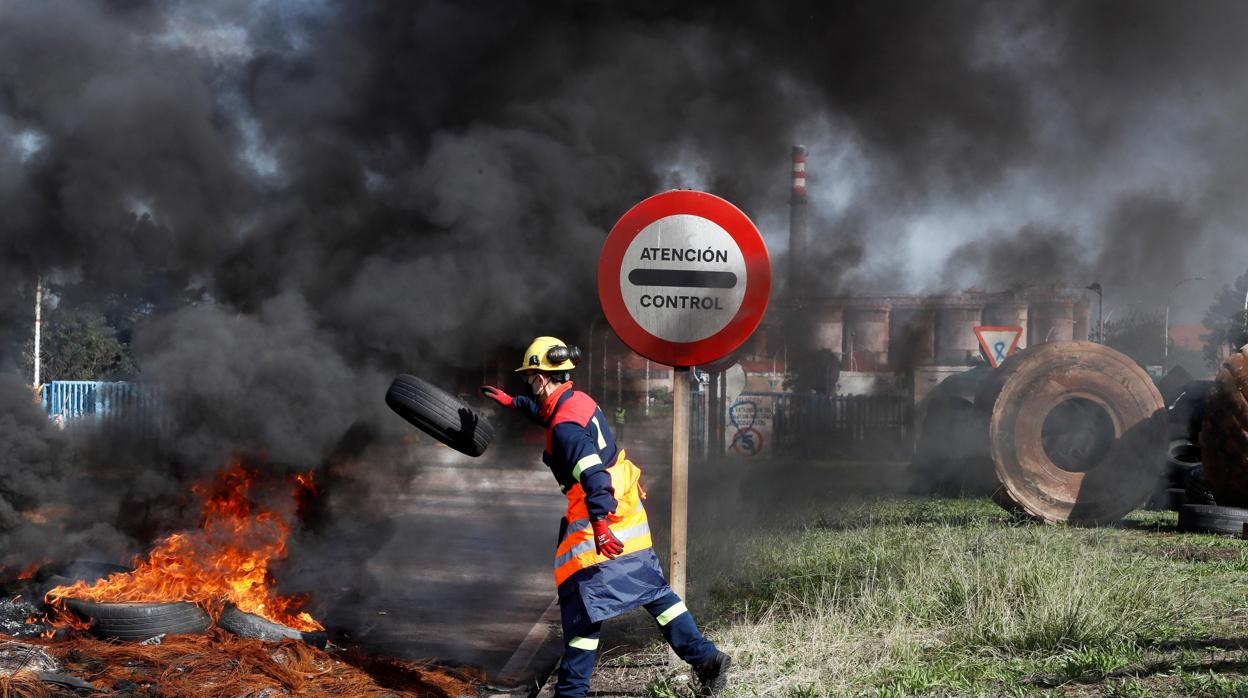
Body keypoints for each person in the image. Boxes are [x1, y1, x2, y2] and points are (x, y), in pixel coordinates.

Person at [481, 336, 730, 698]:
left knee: (583, 602)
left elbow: (593, 475)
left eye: (530, 379)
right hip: (625, 508)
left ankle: (571, 693)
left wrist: (598, 525)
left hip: (601, 515)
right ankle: (708, 660)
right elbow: (548, 414)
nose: (529, 384)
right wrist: (514, 403)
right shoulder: (575, 400)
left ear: (541, 377)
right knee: (652, 590)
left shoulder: (566, 428)